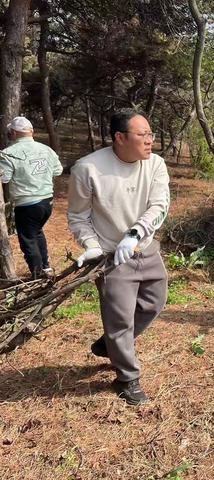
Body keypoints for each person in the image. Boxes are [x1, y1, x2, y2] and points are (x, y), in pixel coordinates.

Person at [68, 109, 170, 405]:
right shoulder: (87, 169)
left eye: (151, 134)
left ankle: (111, 343)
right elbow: (78, 216)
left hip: (145, 248)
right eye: (143, 135)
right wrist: (92, 246)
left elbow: (160, 205)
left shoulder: (155, 164)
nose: (150, 141)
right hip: (112, 257)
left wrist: (136, 233)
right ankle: (128, 378)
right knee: (120, 319)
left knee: (155, 302)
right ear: (120, 137)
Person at [0, 116, 63, 278]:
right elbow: (58, 171)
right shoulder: (46, 149)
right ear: (31, 132)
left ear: (13, 133)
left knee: (28, 240)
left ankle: (38, 275)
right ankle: (46, 267)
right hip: (47, 202)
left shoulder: (8, 154)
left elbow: (4, 178)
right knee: (37, 232)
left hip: (27, 204)